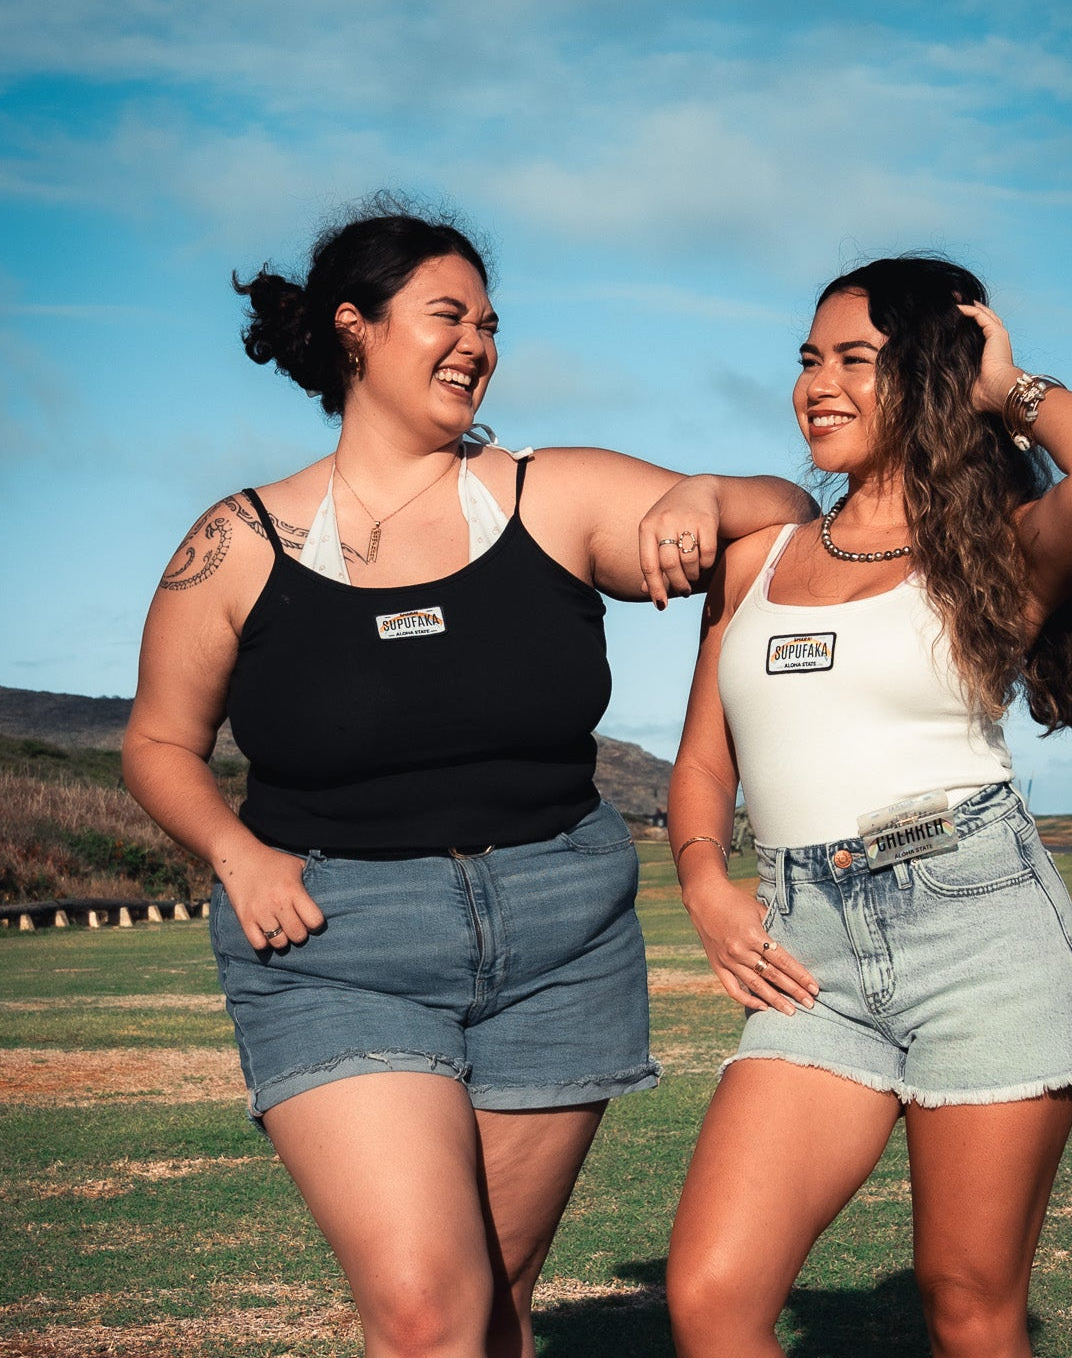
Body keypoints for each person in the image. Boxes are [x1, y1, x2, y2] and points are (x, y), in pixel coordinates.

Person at [122, 199, 814, 1358]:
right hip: (337, 942)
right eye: (448, 316)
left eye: (491, 324)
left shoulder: (557, 493)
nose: (478, 345)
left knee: (493, 1305)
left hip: (562, 935)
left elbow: (792, 517)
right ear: (356, 329)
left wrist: (708, 490)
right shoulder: (238, 541)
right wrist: (238, 856)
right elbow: (156, 743)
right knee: (427, 1313)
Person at [665, 256, 1072, 1358]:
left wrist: (1006, 386)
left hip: (978, 928)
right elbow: (703, 763)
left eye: (854, 360)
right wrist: (703, 877)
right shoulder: (757, 556)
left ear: (934, 378)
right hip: (807, 957)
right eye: (806, 359)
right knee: (711, 1295)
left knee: (970, 1307)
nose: (816, 385)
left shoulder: (995, 556)